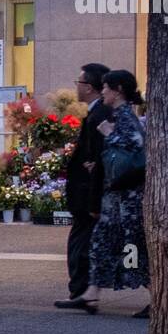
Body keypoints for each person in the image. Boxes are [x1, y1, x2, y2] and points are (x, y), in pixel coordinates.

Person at [77, 70, 149, 316]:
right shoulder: (120, 114)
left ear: (118, 89)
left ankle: (157, 293)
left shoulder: (126, 116)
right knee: (102, 240)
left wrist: (110, 134)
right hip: (115, 196)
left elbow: (137, 148)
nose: (103, 91)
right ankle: (92, 292)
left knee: (131, 245)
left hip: (127, 197)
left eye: (106, 87)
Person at [55, 64, 112, 310]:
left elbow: (100, 154)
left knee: (84, 242)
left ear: (89, 87)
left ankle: (82, 291)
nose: (75, 86)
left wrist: (92, 188)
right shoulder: (98, 112)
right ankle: (87, 292)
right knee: (92, 242)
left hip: (90, 193)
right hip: (92, 192)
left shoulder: (101, 114)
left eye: (78, 82)